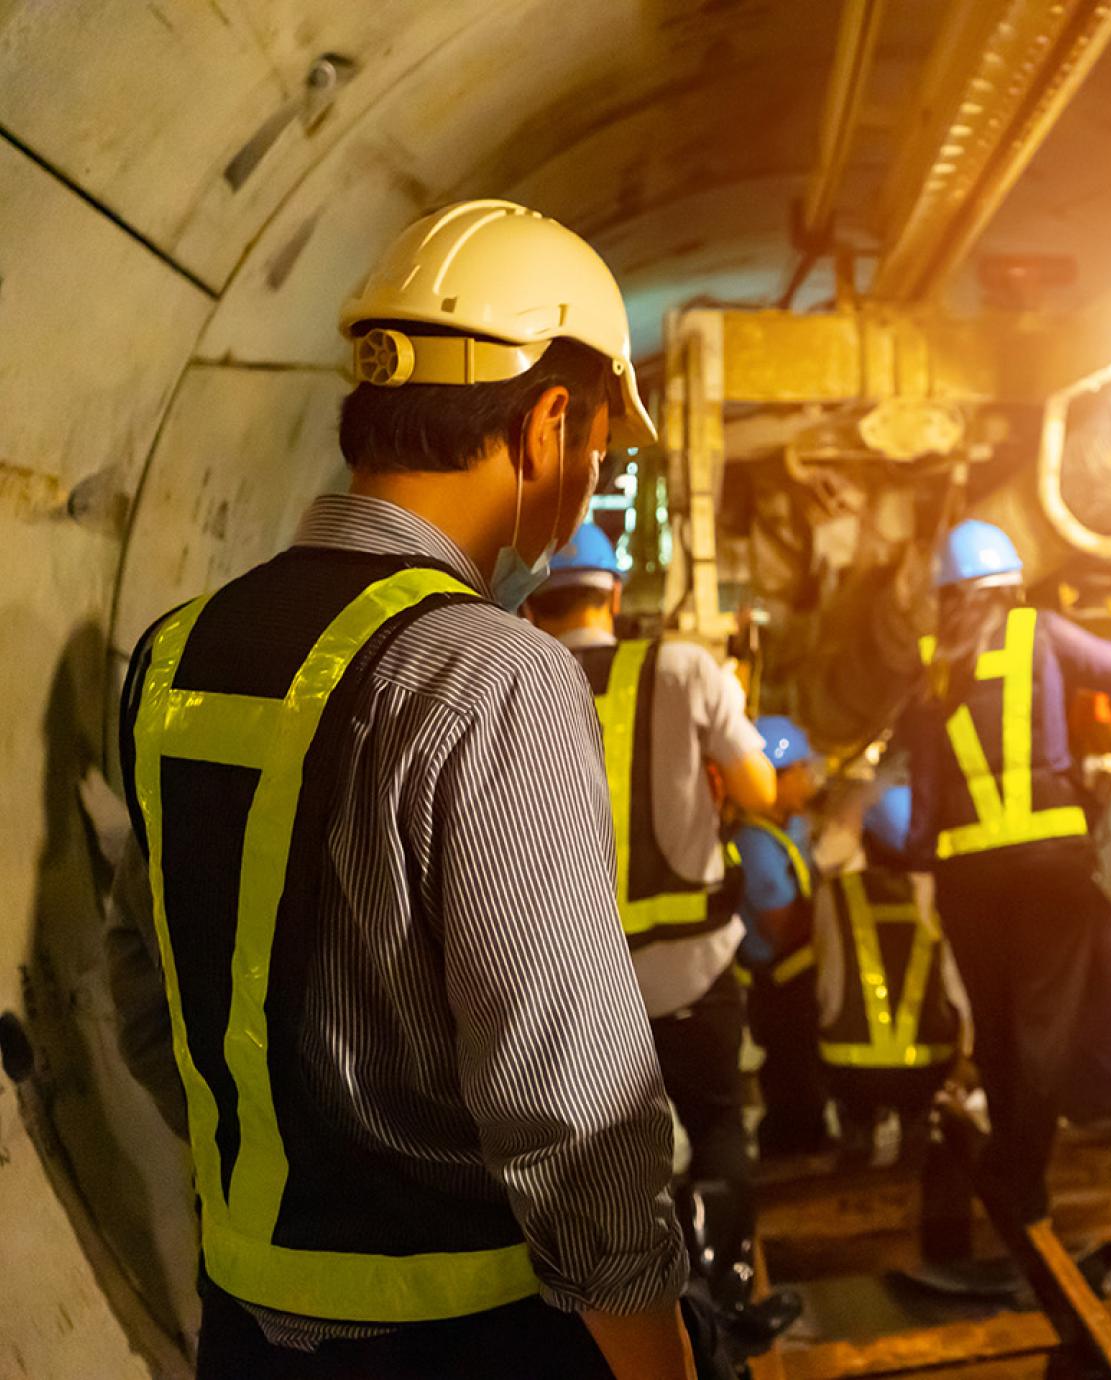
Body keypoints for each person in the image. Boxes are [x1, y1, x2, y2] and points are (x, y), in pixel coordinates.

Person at [115, 200, 698, 1379]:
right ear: (544, 425)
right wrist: (656, 1357)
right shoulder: (490, 673)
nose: (586, 483)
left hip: (243, 1323)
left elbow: (152, 993)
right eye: (594, 451)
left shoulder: (176, 648)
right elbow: (573, 1109)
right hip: (473, 1340)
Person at [523, 524, 802, 1355]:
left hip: (580, 994)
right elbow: (762, 788)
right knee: (716, 1126)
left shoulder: (514, 685)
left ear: (535, 603)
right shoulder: (683, 668)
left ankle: (638, 1326)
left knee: (611, 1164)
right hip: (693, 975)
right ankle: (730, 1300)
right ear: (614, 594)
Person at [903, 519, 1111, 1229]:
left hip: (966, 877)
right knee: (1040, 1031)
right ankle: (1018, 1181)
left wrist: (923, 873)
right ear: (1009, 584)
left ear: (947, 595)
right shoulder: (1036, 631)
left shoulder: (930, 664)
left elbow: (921, 793)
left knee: (999, 1030)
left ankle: (1014, 1169)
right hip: (1048, 870)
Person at [815, 785, 965, 1166]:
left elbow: (826, 985)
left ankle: (855, 1154)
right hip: (927, 1064)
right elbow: (956, 988)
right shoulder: (946, 894)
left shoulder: (834, 895)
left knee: (855, 1143)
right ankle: (916, 1159)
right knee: (918, 1146)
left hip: (850, 1065)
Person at [732, 715, 833, 1157]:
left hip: (806, 974)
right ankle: (793, 1156)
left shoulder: (791, 823)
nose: (810, 780)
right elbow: (783, 926)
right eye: (802, 771)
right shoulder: (753, 844)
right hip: (779, 986)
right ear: (778, 776)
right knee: (794, 1078)